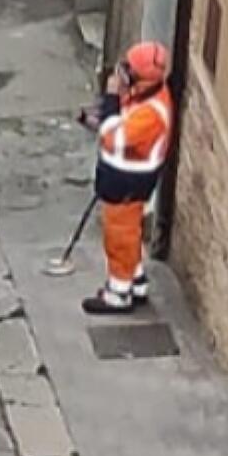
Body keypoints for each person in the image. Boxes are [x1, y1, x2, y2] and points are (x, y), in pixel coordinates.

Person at [81, 41, 175, 315]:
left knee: (118, 236)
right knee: (130, 232)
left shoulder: (150, 114)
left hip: (127, 182)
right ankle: (135, 280)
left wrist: (111, 99)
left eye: (127, 68)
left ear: (140, 78)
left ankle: (118, 293)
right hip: (127, 179)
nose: (121, 72)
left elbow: (113, 137)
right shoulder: (148, 95)